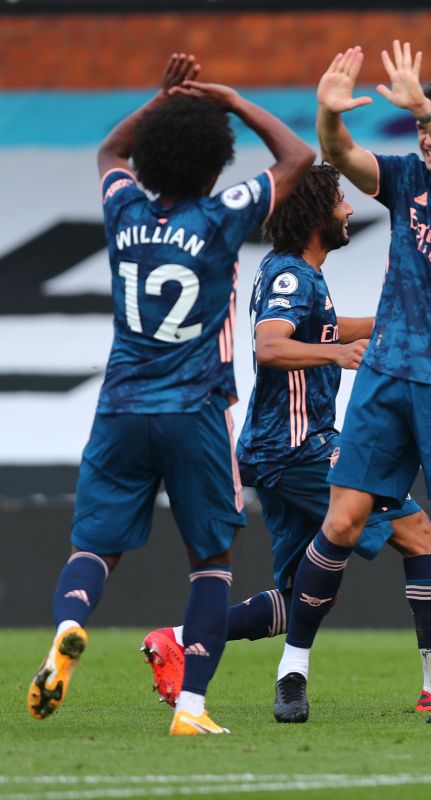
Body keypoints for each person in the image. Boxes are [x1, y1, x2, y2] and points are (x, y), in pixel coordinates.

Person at [27, 53, 313, 735]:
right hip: (195, 414)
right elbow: (297, 156)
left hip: (121, 406)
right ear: (214, 164)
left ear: (150, 160)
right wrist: (231, 98)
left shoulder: (123, 208)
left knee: (95, 547)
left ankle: (69, 627)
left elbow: (108, 148)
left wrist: (163, 100)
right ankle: (191, 708)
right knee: (210, 561)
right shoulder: (222, 216)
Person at [139, 164, 431, 724]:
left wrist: (398, 320)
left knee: (306, 595)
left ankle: (178, 639)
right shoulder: (291, 278)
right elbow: (270, 346)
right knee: (422, 535)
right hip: (300, 450)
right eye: (339, 199)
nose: (348, 209)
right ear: (316, 211)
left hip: (280, 453)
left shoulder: (298, 274)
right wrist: (337, 356)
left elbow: (329, 329)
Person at [282, 43, 431, 724]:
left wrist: (422, 105)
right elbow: (345, 156)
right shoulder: (406, 177)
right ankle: (292, 669)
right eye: (419, 128)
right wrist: (327, 117)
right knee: (343, 519)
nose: (427, 139)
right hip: (385, 374)